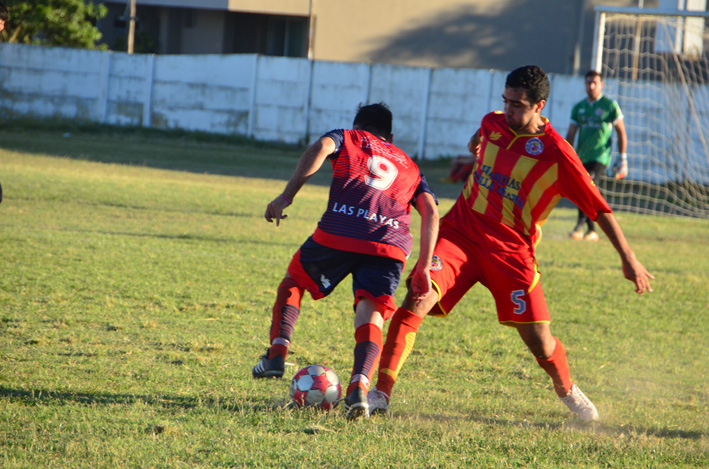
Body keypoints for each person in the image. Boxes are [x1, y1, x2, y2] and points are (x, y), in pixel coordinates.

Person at [367, 66, 653, 422]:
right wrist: (475, 146)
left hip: (511, 252)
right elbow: (479, 137)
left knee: (540, 341)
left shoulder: (558, 155)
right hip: (461, 235)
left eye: (517, 105)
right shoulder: (493, 123)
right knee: (415, 301)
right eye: (505, 101)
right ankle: (381, 393)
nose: (508, 110)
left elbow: (599, 209)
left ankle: (567, 389)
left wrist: (629, 259)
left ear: (539, 106)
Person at [252, 102, 439, 420]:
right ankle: (360, 387)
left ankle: (277, 354)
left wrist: (287, 196)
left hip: (341, 230)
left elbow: (323, 146)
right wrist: (423, 265)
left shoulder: (348, 137)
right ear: (390, 136)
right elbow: (432, 211)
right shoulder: (410, 165)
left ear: (358, 126)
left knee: (294, 281)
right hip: (390, 246)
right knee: (372, 312)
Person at [566, 70, 628, 242]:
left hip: (601, 157)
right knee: (585, 190)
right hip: (581, 157)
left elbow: (621, 132)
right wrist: (565, 155)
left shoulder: (609, 105)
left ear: (601, 85)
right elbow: (571, 134)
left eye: (594, 82)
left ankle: (579, 225)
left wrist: (623, 159)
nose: (591, 86)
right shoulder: (579, 108)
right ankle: (592, 230)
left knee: (587, 184)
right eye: (588, 82)